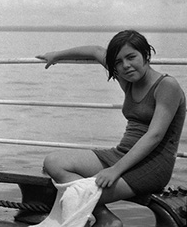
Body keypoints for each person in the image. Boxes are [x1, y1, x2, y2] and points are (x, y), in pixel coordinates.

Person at [36, 30, 186, 227]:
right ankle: (106, 217)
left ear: (146, 55)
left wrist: (115, 170)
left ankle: (100, 215)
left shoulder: (167, 85)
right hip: (122, 154)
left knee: (75, 194)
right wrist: (56, 55)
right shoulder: (128, 80)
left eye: (131, 57)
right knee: (53, 162)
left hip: (152, 165)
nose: (125, 65)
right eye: (118, 62)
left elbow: (154, 135)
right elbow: (96, 51)